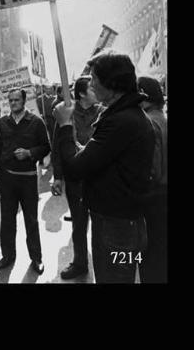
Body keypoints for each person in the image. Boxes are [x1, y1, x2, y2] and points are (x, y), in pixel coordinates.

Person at [52, 50, 155, 284]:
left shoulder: (122, 121)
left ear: (112, 84)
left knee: (114, 278)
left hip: (117, 229)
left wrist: (66, 125)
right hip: (122, 223)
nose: (92, 84)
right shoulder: (124, 116)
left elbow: (76, 169)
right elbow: (96, 158)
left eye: (95, 78)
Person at [0, 88, 51, 274]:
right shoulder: (3, 122)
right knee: (7, 220)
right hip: (7, 178)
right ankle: (7, 256)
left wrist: (29, 153)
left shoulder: (36, 122)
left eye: (17, 100)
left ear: (24, 101)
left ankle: (36, 258)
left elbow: (46, 147)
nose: (13, 103)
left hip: (28, 179)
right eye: (10, 100)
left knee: (31, 220)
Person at [52, 76, 103, 279]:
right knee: (79, 224)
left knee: (101, 225)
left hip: (99, 177)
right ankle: (80, 262)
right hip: (75, 178)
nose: (97, 90)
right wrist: (57, 176)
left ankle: (104, 264)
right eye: (92, 88)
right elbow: (57, 145)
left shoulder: (104, 112)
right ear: (81, 93)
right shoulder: (66, 113)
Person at [137, 76, 167, 283]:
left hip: (154, 197)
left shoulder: (148, 123)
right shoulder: (162, 118)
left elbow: (153, 170)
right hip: (163, 195)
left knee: (150, 253)